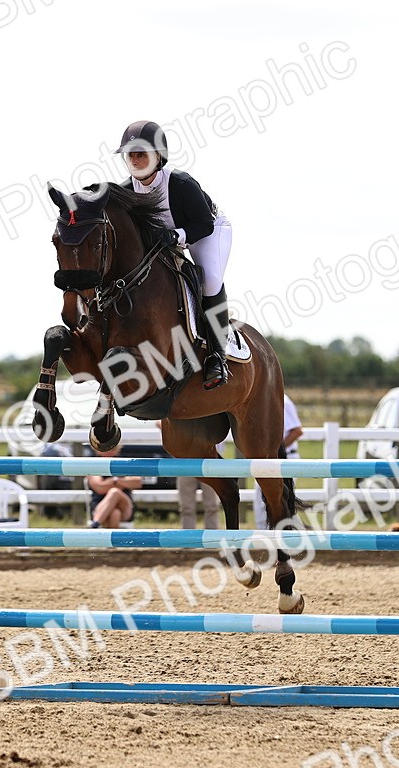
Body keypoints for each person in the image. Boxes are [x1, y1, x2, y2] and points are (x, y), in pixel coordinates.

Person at [115, 119, 233, 390]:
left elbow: (203, 224)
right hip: (164, 239)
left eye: (141, 153)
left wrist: (177, 236)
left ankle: (218, 355)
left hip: (207, 230)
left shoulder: (181, 184)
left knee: (210, 279)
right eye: (130, 154)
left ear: (159, 156)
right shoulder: (126, 192)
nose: (135, 159)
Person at [253, 394, 304, 529]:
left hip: (283, 457)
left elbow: (296, 431)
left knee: (273, 501)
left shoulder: (282, 401)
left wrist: (275, 450)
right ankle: (269, 537)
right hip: (269, 459)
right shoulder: (264, 399)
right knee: (261, 502)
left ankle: (275, 538)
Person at [86, 446, 143, 528]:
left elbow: (138, 482)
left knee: (114, 492)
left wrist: (115, 481)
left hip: (124, 507)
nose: (108, 451)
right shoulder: (94, 464)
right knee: (115, 513)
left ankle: (95, 525)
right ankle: (112, 540)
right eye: (104, 448)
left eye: (112, 448)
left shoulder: (124, 462)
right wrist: (123, 482)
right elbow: (99, 488)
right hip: (100, 506)